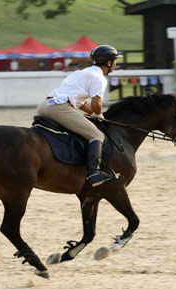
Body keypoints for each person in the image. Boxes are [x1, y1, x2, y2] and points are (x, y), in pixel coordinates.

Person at [36, 45, 121, 187]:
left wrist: (94, 114)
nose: (115, 64)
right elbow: (96, 104)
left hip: (44, 106)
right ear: (108, 62)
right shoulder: (99, 78)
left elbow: (81, 104)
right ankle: (94, 173)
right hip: (59, 108)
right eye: (115, 61)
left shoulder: (80, 73)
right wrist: (99, 114)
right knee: (97, 136)